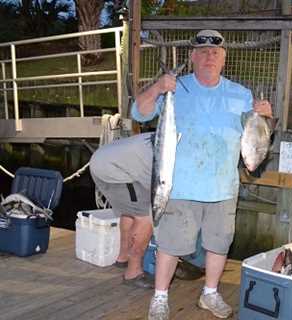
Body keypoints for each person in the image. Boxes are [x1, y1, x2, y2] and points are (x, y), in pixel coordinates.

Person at [95, 29, 271, 320]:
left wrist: (265, 116)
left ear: (224, 59)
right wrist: (157, 87)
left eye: (215, 53)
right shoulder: (177, 88)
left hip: (223, 188)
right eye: (202, 52)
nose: (208, 57)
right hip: (178, 186)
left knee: (218, 245)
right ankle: (160, 298)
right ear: (192, 58)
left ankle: (210, 294)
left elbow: (256, 138)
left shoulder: (241, 95)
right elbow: (139, 112)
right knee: (170, 245)